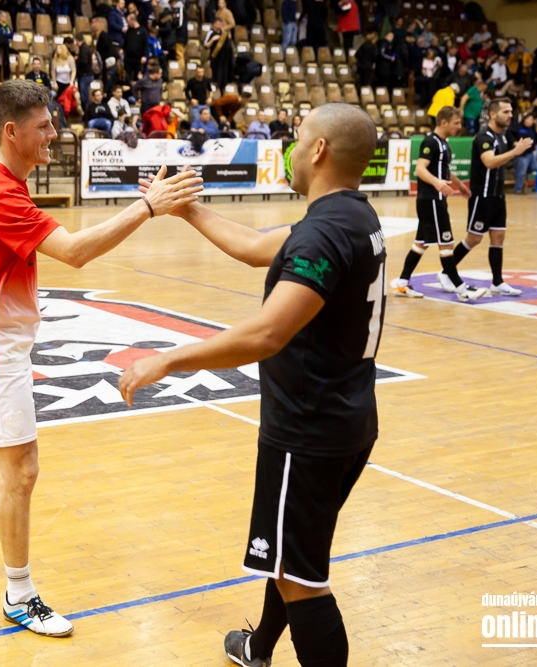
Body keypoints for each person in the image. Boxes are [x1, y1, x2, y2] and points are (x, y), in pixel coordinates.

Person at [0, 79, 202, 638]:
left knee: (3, 444)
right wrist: (147, 206)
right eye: (44, 126)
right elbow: (75, 252)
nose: (54, 134)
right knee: (21, 470)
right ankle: (19, 595)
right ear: (11, 131)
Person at [118, 103, 386, 667]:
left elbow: (267, 333)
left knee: (300, 577)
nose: (291, 148)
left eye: (298, 137)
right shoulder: (353, 217)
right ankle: (258, 648)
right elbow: (253, 248)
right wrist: (189, 210)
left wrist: (168, 360)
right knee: (290, 557)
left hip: (307, 431)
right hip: (348, 419)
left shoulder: (324, 232)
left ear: (319, 151)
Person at [391, 107, 485, 301]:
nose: (459, 127)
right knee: (446, 244)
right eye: (456, 123)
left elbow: (443, 169)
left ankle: (402, 283)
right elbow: (419, 169)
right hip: (432, 200)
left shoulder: (443, 143)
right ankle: (461, 289)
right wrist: (437, 183)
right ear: (443, 122)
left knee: (420, 244)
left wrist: (460, 185)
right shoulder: (431, 142)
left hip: (434, 200)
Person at [444, 98, 533, 297]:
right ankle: (446, 272)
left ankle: (497, 282)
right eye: (506, 112)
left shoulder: (502, 136)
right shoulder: (484, 137)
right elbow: (489, 162)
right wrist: (515, 152)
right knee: (474, 238)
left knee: (498, 237)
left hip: (497, 196)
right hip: (482, 197)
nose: (510, 115)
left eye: (511, 111)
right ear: (493, 114)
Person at [511, 113, 537, 194]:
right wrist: (514, 142)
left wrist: (535, 144)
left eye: (531, 120)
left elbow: (535, 138)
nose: (528, 121)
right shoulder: (518, 127)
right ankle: (518, 190)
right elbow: (509, 134)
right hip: (522, 153)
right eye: (527, 119)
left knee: (535, 167)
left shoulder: (533, 129)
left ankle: (518, 171)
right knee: (522, 172)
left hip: (530, 152)